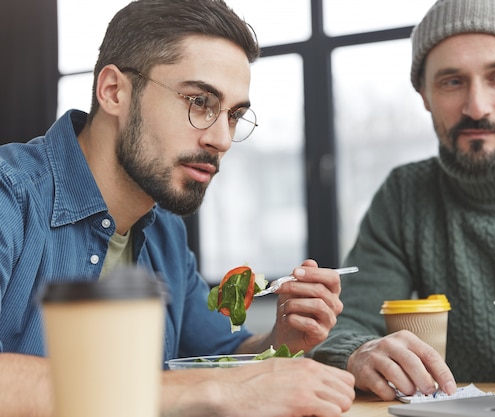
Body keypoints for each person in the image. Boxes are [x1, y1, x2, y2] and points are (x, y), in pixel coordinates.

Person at [0, 1, 355, 416]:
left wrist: (281, 340)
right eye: (200, 101)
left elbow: (218, 354)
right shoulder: (11, 195)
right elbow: (214, 387)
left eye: (234, 115)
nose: (221, 138)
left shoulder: (164, 230)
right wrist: (214, 391)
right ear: (114, 91)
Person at [310, 0, 495, 401]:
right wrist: (358, 351)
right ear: (424, 94)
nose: (476, 107)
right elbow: (347, 322)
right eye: (452, 82)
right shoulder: (404, 196)